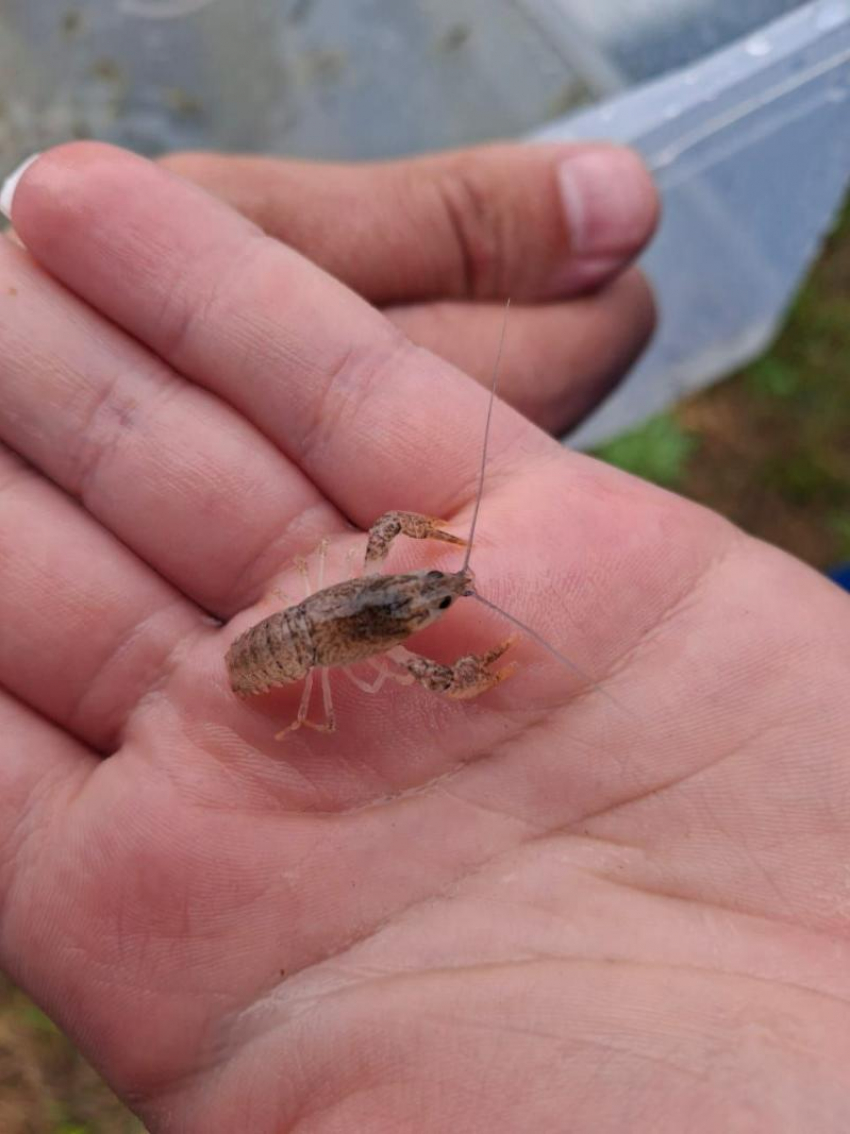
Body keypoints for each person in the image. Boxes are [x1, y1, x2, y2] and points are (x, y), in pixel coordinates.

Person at [0, 141, 847, 1133]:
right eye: (433, 598)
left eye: (431, 599)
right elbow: (398, 603)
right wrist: (453, 652)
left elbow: (388, 555)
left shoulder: (384, 602)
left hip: (301, 638)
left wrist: (440, 586)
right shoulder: (374, 624)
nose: (432, 599)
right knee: (337, 684)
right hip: (273, 658)